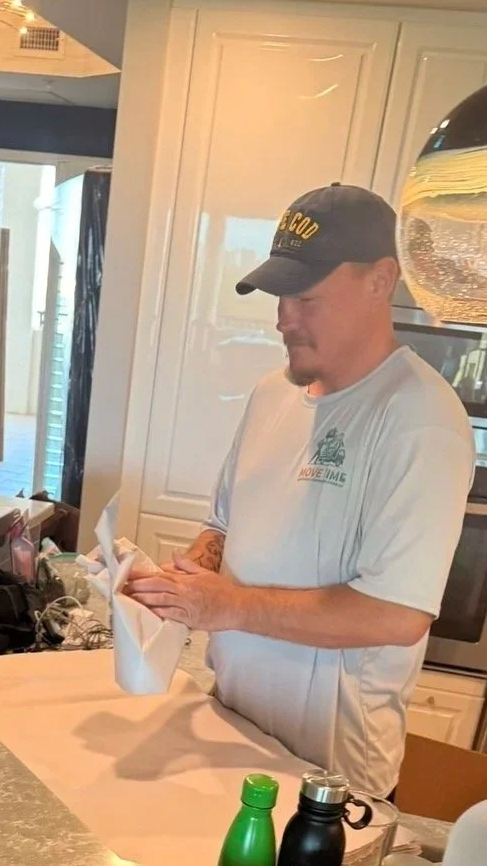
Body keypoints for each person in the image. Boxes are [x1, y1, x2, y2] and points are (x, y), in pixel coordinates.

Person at [128, 183, 474, 798]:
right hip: (230, 729)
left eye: (307, 297)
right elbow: (224, 526)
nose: (284, 319)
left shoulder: (419, 418)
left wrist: (227, 607)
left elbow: (397, 615)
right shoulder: (271, 394)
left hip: (329, 781)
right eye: (280, 296)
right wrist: (181, 585)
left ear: (380, 280)